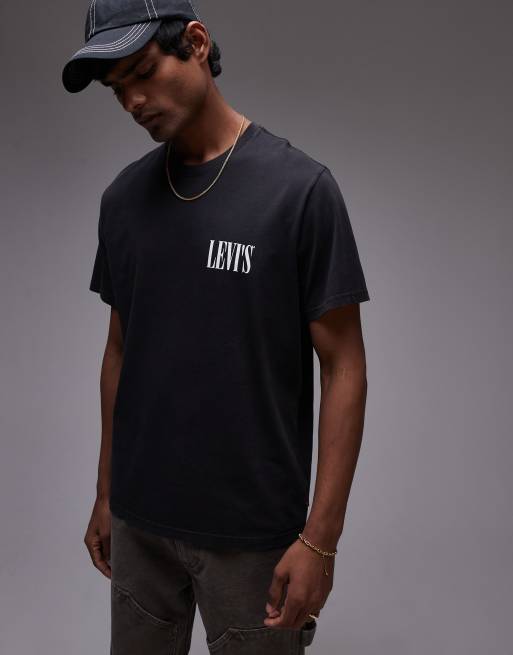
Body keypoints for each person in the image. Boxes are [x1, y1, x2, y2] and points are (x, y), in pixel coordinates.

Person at [62, 1, 371, 653]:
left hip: (252, 534)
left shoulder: (299, 190)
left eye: (143, 72)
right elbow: (119, 349)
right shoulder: (122, 200)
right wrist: (106, 492)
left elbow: (344, 365)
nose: (133, 101)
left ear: (197, 43)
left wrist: (321, 538)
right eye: (117, 88)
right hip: (140, 524)